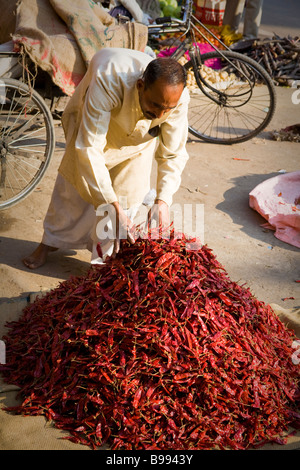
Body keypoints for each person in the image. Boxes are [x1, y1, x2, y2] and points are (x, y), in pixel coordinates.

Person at [23, 48, 190, 269]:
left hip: (137, 141)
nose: (161, 115)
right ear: (140, 86)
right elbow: (90, 148)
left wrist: (163, 201)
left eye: (166, 110)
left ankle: (102, 264)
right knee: (74, 187)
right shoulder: (109, 78)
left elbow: (173, 153)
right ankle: (49, 243)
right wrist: (112, 206)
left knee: (126, 200)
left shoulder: (177, 100)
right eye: (156, 106)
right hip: (96, 127)